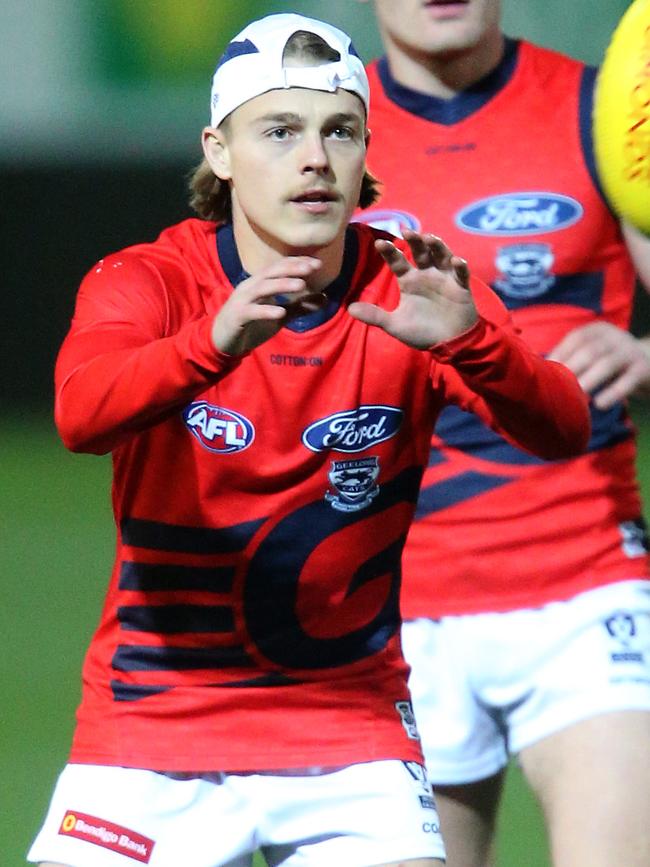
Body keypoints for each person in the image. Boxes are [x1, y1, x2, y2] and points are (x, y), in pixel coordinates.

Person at [27, 11, 590, 867]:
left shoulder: (411, 283)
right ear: (218, 150)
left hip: (347, 735)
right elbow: (81, 415)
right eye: (279, 131)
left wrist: (472, 343)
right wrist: (208, 346)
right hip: (151, 733)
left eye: (340, 131)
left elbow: (563, 427)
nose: (315, 159)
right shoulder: (149, 279)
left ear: (368, 150)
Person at [354, 1, 650, 866]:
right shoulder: (330, 139)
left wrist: (646, 352)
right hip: (390, 612)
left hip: (587, 583)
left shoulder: (603, 113)